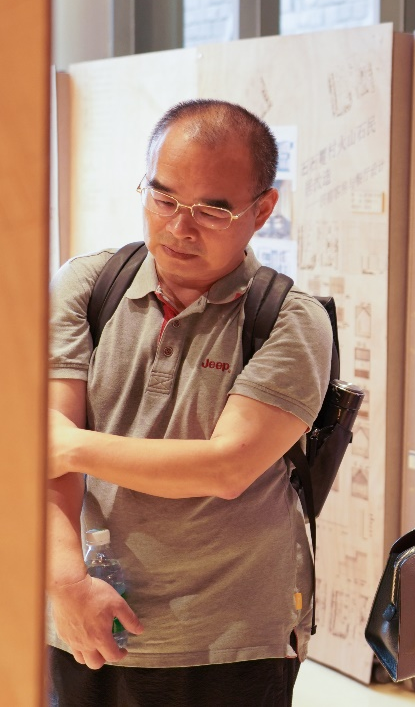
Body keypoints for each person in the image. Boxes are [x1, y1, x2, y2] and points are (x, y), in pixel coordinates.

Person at [46, 100, 332, 706]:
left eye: (213, 209)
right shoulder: (87, 285)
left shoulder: (289, 319)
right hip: (82, 619)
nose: (180, 227)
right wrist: (66, 583)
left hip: (229, 637)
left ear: (263, 210)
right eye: (164, 198)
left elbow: (225, 468)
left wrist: (70, 446)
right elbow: (45, 461)